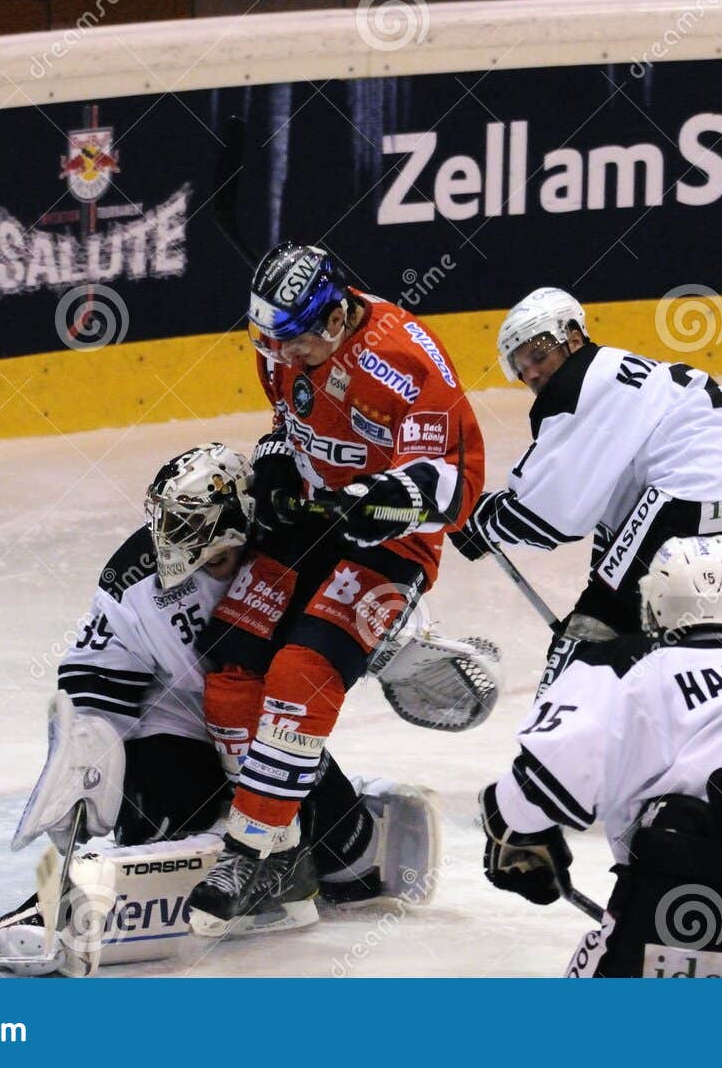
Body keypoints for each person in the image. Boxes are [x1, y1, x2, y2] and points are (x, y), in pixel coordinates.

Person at [0, 444, 436, 975]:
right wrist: (86, 758)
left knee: (353, 872)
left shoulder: (295, 549)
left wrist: (404, 641)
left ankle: (332, 833)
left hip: (269, 729)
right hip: (173, 722)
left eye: (216, 553)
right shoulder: (135, 576)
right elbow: (94, 680)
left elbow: (369, 611)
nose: (187, 557)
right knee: (162, 823)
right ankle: (97, 895)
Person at [186, 243, 484, 933]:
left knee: (300, 673)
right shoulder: (280, 347)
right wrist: (276, 468)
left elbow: (457, 485)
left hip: (389, 540)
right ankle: (287, 854)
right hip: (318, 521)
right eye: (270, 342)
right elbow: (288, 427)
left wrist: (375, 498)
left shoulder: (405, 361)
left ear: (336, 315)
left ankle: (250, 850)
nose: (281, 357)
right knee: (230, 666)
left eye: (295, 343)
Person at [478, 535, 722, 977]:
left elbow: (536, 788)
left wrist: (515, 831)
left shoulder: (627, 664)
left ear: (655, 605)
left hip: (676, 920)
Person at [448, 287, 722, 691]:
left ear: (574, 337)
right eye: (520, 367)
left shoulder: (579, 384)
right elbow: (617, 514)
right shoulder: (636, 376)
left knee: (595, 639)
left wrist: (477, 518)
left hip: (690, 498)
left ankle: (560, 728)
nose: (532, 373)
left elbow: (548, 517)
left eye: (538, 355)